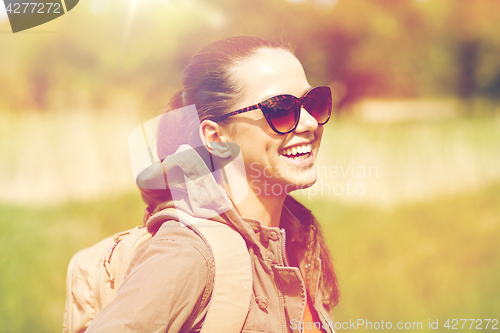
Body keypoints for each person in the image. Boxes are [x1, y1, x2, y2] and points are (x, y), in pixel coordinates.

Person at [86, 36, 339, 333]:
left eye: (313, 102)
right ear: (216, 138)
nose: (309, 123)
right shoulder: (188, 254)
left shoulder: (297, 242)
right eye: (281, 109)